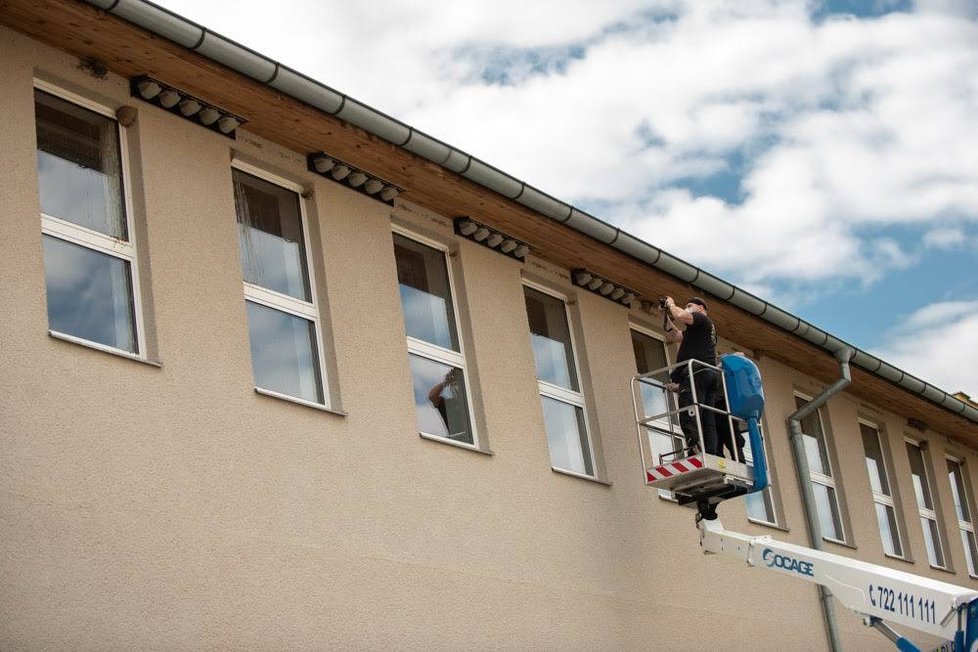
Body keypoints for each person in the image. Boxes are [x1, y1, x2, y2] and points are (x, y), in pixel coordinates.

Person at [661, 296, 720, 455]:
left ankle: (694, 449)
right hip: (706, 375)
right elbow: (673, 334)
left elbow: (681, 316)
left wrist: (672, 304)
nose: (687, 308)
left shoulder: (701, 319)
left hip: (697, 372)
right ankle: (710, 452)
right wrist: (665, 312)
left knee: (689, 411)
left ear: (701, 308)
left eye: (690, 305)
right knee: (707, 417)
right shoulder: (698, 330)